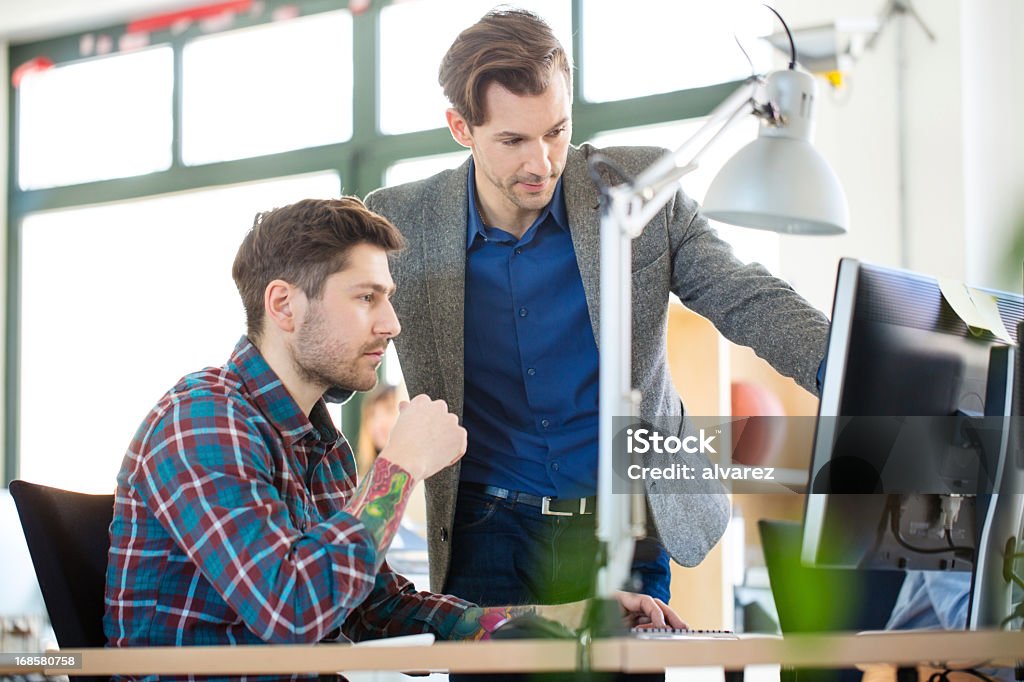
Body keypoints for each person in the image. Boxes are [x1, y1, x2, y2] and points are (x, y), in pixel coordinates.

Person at [364, 7, 830, 613]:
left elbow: (744, 295)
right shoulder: (403, 222)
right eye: (512, 140)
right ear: (461, 127)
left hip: (628, 522)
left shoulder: (637, 187)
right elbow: (339, 345)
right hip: (487, 529)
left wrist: (851, 371)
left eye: (556, 131)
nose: (542, 163)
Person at [103, 197, 683, 680]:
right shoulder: (202, 421)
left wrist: (569, 617)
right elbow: (293, 609)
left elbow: (378, 606)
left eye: (387, 297)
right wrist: (399, 464)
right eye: (366, 297)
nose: (392, 323)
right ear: (283, 304)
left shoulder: (318, 444)